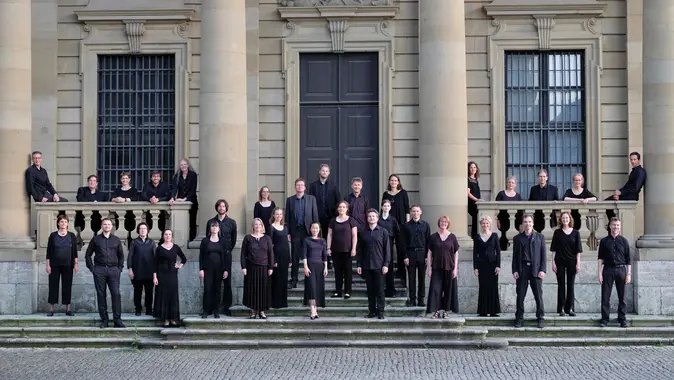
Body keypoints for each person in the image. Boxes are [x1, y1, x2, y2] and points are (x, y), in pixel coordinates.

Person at [84, 218, 125, 328]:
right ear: (102, 226)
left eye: (109, 224)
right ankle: (104, 320)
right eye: (105, 224)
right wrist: (93, 269)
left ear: (112, 226)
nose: (107, 226)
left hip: (113, 270)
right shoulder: (96, 239)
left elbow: (121, 256)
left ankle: (117, 320)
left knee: (116, 294)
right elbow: (88, 255)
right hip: (99, 270)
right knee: (101, 295)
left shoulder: (116, 240)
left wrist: (119, 268)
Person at [512, 214, 546, 329]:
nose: (528, 224)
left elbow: (543, 256)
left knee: (538, 296)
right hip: (522, 269)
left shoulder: (540, 237)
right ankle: (519, 319)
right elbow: (515, 256)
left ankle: (540, 318)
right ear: (522, 224)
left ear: (533, 223)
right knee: (520, 296)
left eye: (530, 222)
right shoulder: (517, 238)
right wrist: (515, 270)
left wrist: (543, 270)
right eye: (525, 222)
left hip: (536, 270)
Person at [285, 178, 319, 289]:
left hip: (308, 231)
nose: (300, 187)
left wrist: (316, 232)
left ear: (304, 187)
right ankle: (294, 279)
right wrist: (288, 232)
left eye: (302, 185)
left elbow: (315, 216)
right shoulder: (290, 200)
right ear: (295, 187)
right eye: (298, 185)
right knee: (294, 256)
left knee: (310, 255)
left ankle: (309, 279)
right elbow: (288, 218)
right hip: (295, 231)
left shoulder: (311, 199)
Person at [598, 217, 631, 328]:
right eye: (614, 225)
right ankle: (604, 319)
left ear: (620, 227)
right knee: (605, 296)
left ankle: (622, 319)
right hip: (607, 270)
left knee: (623, 297)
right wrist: (599, 273)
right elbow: (600, 259)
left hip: (621, 270)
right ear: (610, 226)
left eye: (617, 225)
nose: (615, 227)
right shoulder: (604, 241)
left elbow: (628, 260)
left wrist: (629, 274)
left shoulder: (624, 241)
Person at [357, 209, 391, 319]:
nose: (371, 218)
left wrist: (386, 264)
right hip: (367, 265)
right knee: (370, 291)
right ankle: (372, 311)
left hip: (379, 266)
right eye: (369, 216)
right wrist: (359, 265)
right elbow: (360, 250)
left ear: (377, 218)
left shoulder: (383, 232)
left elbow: (387, 250)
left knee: (380, 290)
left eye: (373, 216)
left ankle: (380, 312)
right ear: (367, 219)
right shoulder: (363, 233)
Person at [206, 199, 237, 315]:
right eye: (219, 206)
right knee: (213, 283)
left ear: (226, 208)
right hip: (213, 257)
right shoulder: (211, 222)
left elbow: (233, 240)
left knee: (227, 283)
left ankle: (226, 307)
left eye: (223, 206)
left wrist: (227, 251)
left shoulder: (232, 223)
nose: (221, 208)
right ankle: (211, 308)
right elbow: (207, 239)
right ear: (217, 208)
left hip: (226, 256)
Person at [426, 216, 460, 319]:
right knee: (435, 290)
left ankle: (445, 311)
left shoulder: (452, 237)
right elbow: (429, 253)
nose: (443, 223)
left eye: (445, 222)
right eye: (441, 221)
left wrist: (455, 269)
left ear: (448, 224)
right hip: (436, 267)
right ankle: (436, 311)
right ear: (439, 223)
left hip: (449, 267)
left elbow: (456, 253)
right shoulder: (433, 237)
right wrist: (429, 268)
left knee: (448, 290)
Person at [241, 218, 274, 319]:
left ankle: (262, 311)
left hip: (264, 267)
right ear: (253, 226)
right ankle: (252, 311)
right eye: (256, 224)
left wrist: (271, 267)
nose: (258, 226)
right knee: (252, 289)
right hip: (251, 268)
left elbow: (271, 254)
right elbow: (243, 254)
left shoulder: (267, 238)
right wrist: (244, 267)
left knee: (263, 289)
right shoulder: (247, 238)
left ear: (262, 226)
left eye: (259, 224)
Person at [152, 229, 187, 327]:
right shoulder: (159, 248)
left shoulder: (175, 247)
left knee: (172, 296)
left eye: (169, 234)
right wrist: (155, 277)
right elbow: (155, 264)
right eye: (166, 234)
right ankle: (166, 319)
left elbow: (184, 259)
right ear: (163, 236)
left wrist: (180, 265)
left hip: (172, 274)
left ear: (172, 236)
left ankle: (173, 319)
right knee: (164, 296)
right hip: (161, 275)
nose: (168, 236)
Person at [46, 214, 78, 316]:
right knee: (53, 286)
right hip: (54, 265)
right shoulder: (53, 235)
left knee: (67, 286)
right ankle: (51, 309)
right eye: (61, 221)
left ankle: (67, 309)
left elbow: (74, 252)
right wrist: (48, 265)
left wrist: (76, 264)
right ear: (58, 223)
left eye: (65, 221)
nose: (63, 223)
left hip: (68, 265)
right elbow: (48, 252)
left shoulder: (72, 236)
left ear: (68, 223)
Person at [551, 212, 583, 317]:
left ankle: (570, 309)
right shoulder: (557, 232)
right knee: (561, 285)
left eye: (567, 217)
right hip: (559, 261)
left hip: (572, 261)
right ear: (561, 220)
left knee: (571, 285)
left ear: (570, 219)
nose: (565, 219)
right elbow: (553, 249)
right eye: (563, 218)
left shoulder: (576, 233)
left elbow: (578, 250)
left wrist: (578, 263)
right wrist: (553, 262)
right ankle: (561, 309)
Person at [199, 220, 231, 319]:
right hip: (207, 269)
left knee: (217, 290)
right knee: (207, 289)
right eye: (212, 226)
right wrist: (201, 269)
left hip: (219, 269)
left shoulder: (223, 241)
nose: (214, 228)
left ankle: (216, 311)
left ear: (219, 228)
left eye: (216, 226)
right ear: (210, 228)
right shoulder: (205, 241)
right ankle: (206, 310)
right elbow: (201, 256)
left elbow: (226, 257)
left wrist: (226, 270)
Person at [381, 174, 410, 281]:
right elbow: (382, 209)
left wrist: (407, 223)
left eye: (395, 180)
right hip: (388, 224)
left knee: (400, 247)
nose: (393, 182)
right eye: (391, 180)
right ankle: (388, 270)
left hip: (401, 224)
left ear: (398, 182)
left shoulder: (403, 193)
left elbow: (407, 208)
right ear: (389, 182)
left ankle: (401, 271)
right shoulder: (386, 194)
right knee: (387, 248)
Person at [327, 200, 357, 299]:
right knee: (337, 272)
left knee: (348, 272)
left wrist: (353, 248)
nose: (341, 209)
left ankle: (348, 291)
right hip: (335, 250)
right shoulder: (332, 221)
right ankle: (338, 291)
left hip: (347, 250)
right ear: (337, 208)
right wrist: (328, 248)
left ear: (347, 209)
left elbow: (354, 236)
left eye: (344, 207)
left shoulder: (351, 220)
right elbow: (329, 235)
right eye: (340, 207)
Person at [605, 152, 647, 222]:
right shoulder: (633, 171)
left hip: (631, 197)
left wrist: (620, 193)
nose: (632, 161)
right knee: (606, 203)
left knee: (607, 203)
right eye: (631, 159)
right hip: (626, 195)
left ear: (639, 160)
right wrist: (618, 192)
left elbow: (635, 188)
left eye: (634, 159)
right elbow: (627, 185)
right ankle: (613, 224)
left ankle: (612, 225)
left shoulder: (641, 172)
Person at [402, 205, 431, 307]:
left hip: (422, 254)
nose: (415, 213)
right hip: (410, 254)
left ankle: (421, 299)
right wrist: (405, 256)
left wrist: (428, 256)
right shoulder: (406, 226)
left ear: (420, 212)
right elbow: (403, 243)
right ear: (411, 212)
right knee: (411, 278)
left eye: (417, 211)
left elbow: (428, 242)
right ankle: (412, 299)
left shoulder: (426, 225)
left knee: (422, 278)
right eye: (413, 211)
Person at [473, 215, 501, 317]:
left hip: (492, 265)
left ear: (490, 224)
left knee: (493, 287)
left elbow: (498, 251)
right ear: (480, 224)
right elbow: (475, 252)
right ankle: (483, 311)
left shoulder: (494, 236)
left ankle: (493, 311)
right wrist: (475, 267)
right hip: (481, 265)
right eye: (483, 223)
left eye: (487, 223)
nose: (485, 225)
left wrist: (498, 266)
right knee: (483, 287)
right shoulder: (477, 236)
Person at [127, 222, 157, 316]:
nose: (143, 230)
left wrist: (155, 272)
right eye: (141, 228)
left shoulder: (152, 242)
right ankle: (138, 309)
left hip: (149, 271)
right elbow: (130, 256)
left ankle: (149, 309)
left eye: (144, 228)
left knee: (149, 292)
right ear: (138, 231)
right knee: (137, 292)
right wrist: (130, 269)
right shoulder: (134, 242)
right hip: (137, 271)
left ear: (148, 231)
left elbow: (155, 258)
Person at [308, 164, 341, 240]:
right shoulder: (313, 186)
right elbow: (310, 203)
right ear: (319, 172)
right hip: (317, 217)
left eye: (326, 171)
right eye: (323, 170)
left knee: (331, 238)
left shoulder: (334, 186)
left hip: (331, 217)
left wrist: (336, 215)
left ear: (329, 173)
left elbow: (338, 201)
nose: (324, 172)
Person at [169, 158, 199, 242]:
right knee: (181, 222)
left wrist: (185, 199)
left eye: (185, 164)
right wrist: (172, 198)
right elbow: (174, 188)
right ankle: (182, 240)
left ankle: (191, 240)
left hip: (192, 201)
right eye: (181, 165)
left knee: (192, 222)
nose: (183, 166)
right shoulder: (177, 176)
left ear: (188, 165)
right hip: (180, 201)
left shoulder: (193, 175)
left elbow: (193, 190)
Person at [303, 222, 328, 319]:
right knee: (311, 288)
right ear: (310, 229)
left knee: (317, 289)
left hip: (320, 267)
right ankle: (312, 311)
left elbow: (324, 256)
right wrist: (305, 266)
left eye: (316, 228)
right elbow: (304, 254)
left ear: (319, 229)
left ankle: (315, 310)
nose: (315, 230)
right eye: (313, 228)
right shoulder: (306, 240)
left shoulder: (322, 241)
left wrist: (325, 267)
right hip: (310, 266)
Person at [268, 207, 291, 309]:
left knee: (283, 279)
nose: (278, 216)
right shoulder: (271, 228)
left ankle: (283, 302)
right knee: (276, 280)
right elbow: (270, 246)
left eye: (280, 214)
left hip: (285, 256)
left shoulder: (285, 227)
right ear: (273, 215)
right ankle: (275, 303)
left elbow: (287, 244)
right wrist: (273, 260)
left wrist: (290, 259)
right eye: (277, 214)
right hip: (276, 256)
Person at [378, 199, 400, 297]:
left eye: (388, 206)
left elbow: (397, 232)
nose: (386, 207)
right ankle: (380, 289)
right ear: (382, 207)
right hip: (378, 245)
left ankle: (390, 290)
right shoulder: (378, 219)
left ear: (390, 208)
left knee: (389, 267)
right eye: (384, 206)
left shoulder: (393, 220)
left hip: (389, 245)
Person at [495, 176, 524, 250]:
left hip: (515, 221)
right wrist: (497, 220)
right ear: (506, 183)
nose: (511, 184)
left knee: (515, 239)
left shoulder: (518, 196)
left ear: (515, 185)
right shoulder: (501, 194)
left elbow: (520, 212)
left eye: (512, 183)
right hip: (503, 221)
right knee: (503, 238)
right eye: (509, 182)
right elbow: (496, 208)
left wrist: (521, 223)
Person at [75, 174, 107, 239]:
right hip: (84, 216)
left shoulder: (101, 194)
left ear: (97, 183)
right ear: (88, 182)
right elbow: (80, 199)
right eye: (90, 180)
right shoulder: (82, 190)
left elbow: (105, 203)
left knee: (97, 232)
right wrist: (94, 201)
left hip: (97, 217)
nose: (92, 182)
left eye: (94, 181)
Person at [111, 172, 139, 236]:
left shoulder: (134, 190)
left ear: (129, 179)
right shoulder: (117, 190)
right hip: (119, 213)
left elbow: (135, 198)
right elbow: (111, 198)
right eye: (123, 178)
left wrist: (125, 200)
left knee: (131, 232)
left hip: (131, 214)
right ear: (121, 180)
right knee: (120, 232)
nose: (124, 180)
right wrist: (117, 200)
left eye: (126, 178)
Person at [467, 162, 482, 238]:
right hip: (472, 203)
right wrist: (476, 200)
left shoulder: (476, 179)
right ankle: (474, 237)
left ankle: (476, 237)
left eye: (474, 167)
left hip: (477, 202)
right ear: (468, 169)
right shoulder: (468, 179)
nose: (473, 169)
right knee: (476, 219)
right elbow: (468, 193)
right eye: (471, 167)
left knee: (477, 220)